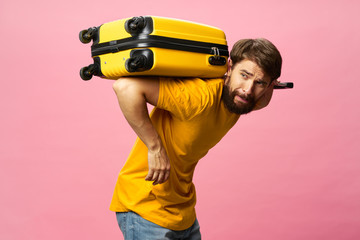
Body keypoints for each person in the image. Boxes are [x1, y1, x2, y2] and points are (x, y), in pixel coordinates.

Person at [110, 38, 282, 240]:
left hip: (183, 210)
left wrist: (269, 84)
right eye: (244, 75)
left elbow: (263, 100)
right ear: (229, 68)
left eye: (259, 83)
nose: (248, 89)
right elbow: (125, 87)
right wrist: (155, 147)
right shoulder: (199, 98)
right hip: (145, 205)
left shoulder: (242, 100)